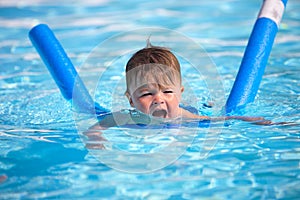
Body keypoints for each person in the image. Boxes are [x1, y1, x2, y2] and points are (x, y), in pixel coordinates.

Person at [84, 43, 275, 148]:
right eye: (147, 93)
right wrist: (95, 137)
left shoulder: (184, 116)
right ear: (131, 100)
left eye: (168, 92)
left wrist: (245, 119)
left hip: (189, 117)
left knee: (204, 109)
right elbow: (96, 127)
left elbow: (217, 120)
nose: (159, 99)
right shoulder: (127, 117)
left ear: (179, 94)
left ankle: (207, 103)